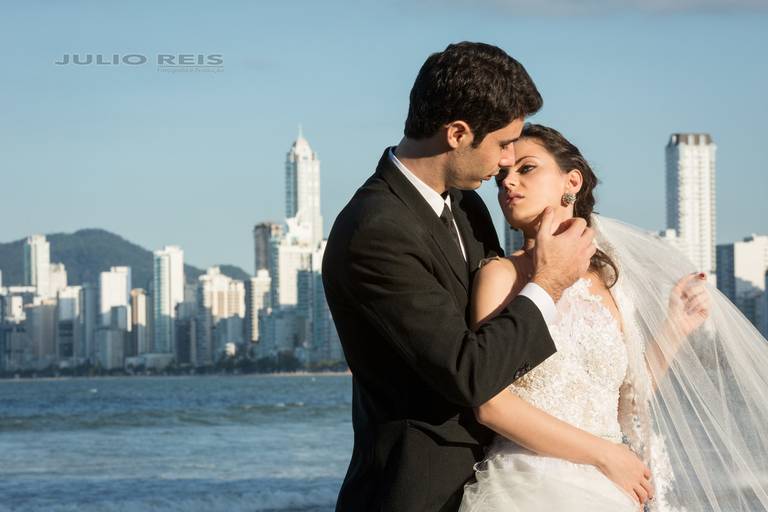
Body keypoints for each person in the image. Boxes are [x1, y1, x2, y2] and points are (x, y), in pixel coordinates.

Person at [322, 42, 596, 511]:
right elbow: (467, 374)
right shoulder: (375, 232)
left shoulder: (466, 205)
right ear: (457, 133)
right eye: (504, 142)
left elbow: (497, 321)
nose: (508, 159)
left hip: (505, 482)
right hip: (422, 492)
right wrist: (548, 283)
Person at [460, 123, 768, 511]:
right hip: (530, 486)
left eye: (526, 168)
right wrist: (606, 455)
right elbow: (491, 405)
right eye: (502, 175)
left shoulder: (607, 280)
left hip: (610, 487)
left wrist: (675, 327)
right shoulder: (500, 276)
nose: (508, 183)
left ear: (571, 180)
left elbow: (625, 400)